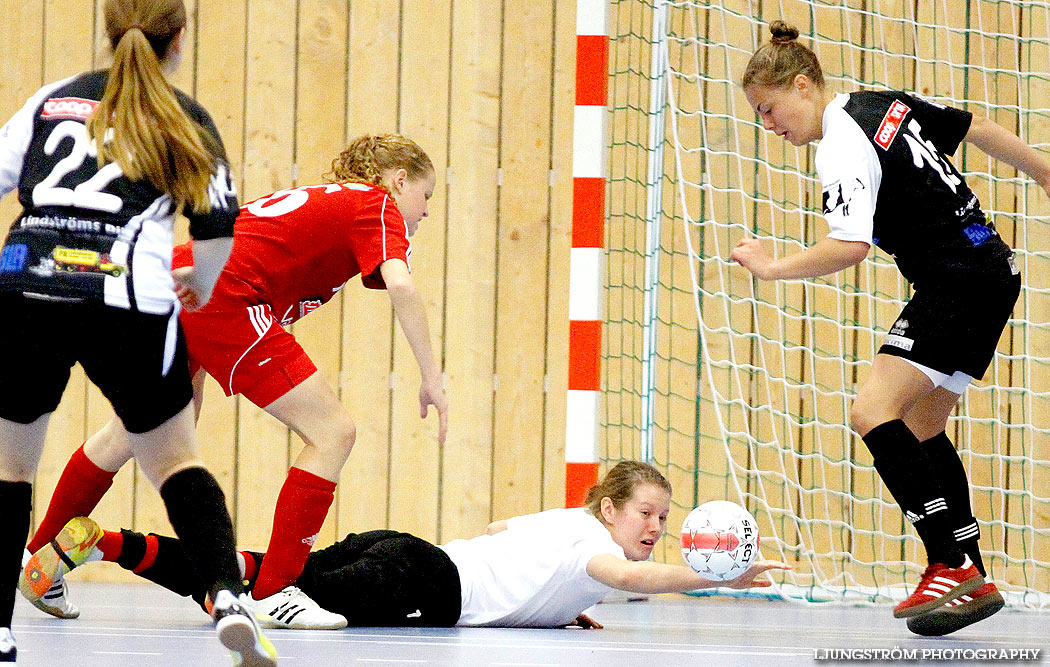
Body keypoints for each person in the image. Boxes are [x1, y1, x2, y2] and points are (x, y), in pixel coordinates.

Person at [19, 133, 448, 631]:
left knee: (134, 432)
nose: (424, 212)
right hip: (225, 297)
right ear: (399, 181)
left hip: (175, 279)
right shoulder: (376, 205)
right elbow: (401, 283)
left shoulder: (325, 202)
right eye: (426, 196)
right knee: (334, 432)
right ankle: (276, 592)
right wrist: (432, 377)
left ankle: (39, 556)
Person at [731, 20, 1050, 637]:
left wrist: (772, 268)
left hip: (957, 280)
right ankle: (971, 570)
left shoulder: (840, 142)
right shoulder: (882, 104)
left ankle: (949, 565)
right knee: (925, 425)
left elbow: (848, 246)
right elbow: (976, 129)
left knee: (870, 409)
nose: (769, 126)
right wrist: (1044, 172)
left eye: (770, 110)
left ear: (804, 84)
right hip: (990, 271)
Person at [0, 1, 276, 664]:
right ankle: (230, 598)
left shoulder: (51, 101)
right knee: (176, 460)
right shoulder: (185, 117)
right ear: (178, 39)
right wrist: (203, 287)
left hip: (28, 286)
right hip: (129, 299)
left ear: (108, 31)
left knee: (11, 467)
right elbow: (216, 229)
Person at [28, 462, 788, 629]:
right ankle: (280, 606)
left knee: (248, 571)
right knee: (260, 594)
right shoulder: (598, 547)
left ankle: (108, 539)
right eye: (646, 514)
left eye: (664, 518)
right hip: (423, 583)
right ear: (611, 507)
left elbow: (498, 535)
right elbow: (635, 574)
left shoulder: (564, 524)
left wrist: (559, 604)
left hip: (412, 552)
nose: (654, 528)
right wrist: (718, 576)